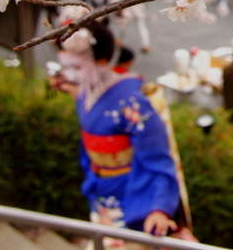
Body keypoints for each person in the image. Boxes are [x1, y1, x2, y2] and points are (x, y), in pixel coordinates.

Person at [53, 23, 181, 237]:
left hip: (132, 191)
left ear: (102, 61)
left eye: (76, 67)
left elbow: (158, 158)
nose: (69, 75)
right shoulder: (86, 91)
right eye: (65, 66)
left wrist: (159, 208)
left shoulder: (132, 102)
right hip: (101, 187)